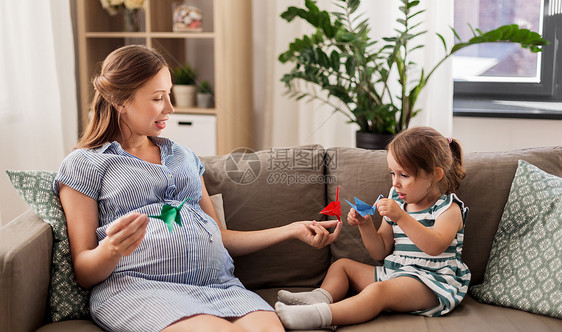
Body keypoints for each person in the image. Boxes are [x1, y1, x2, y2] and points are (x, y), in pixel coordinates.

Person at [54, 45, 342, 332]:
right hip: (139, 288)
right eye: (157, 98)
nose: (170, 107)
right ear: (120, 101)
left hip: (219, 286)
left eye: (169, 94)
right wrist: (112, 249)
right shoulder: (86, 164)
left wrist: (290, 230)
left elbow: (220, 236)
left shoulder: (183, 156)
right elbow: (83, 271)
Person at [275, 126, 471, 329]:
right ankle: (318, 299)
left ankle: (319, 316)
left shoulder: (448, 208)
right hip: (394, 274)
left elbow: (435, 246)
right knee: (341, 266)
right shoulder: (397, 201)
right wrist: (366, 224)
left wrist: (401, 217)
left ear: (435, 175)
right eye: (392, 174)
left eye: (404, 175)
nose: (395, 183)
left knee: (378, 291)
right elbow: (380, 250)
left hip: (431, 283)